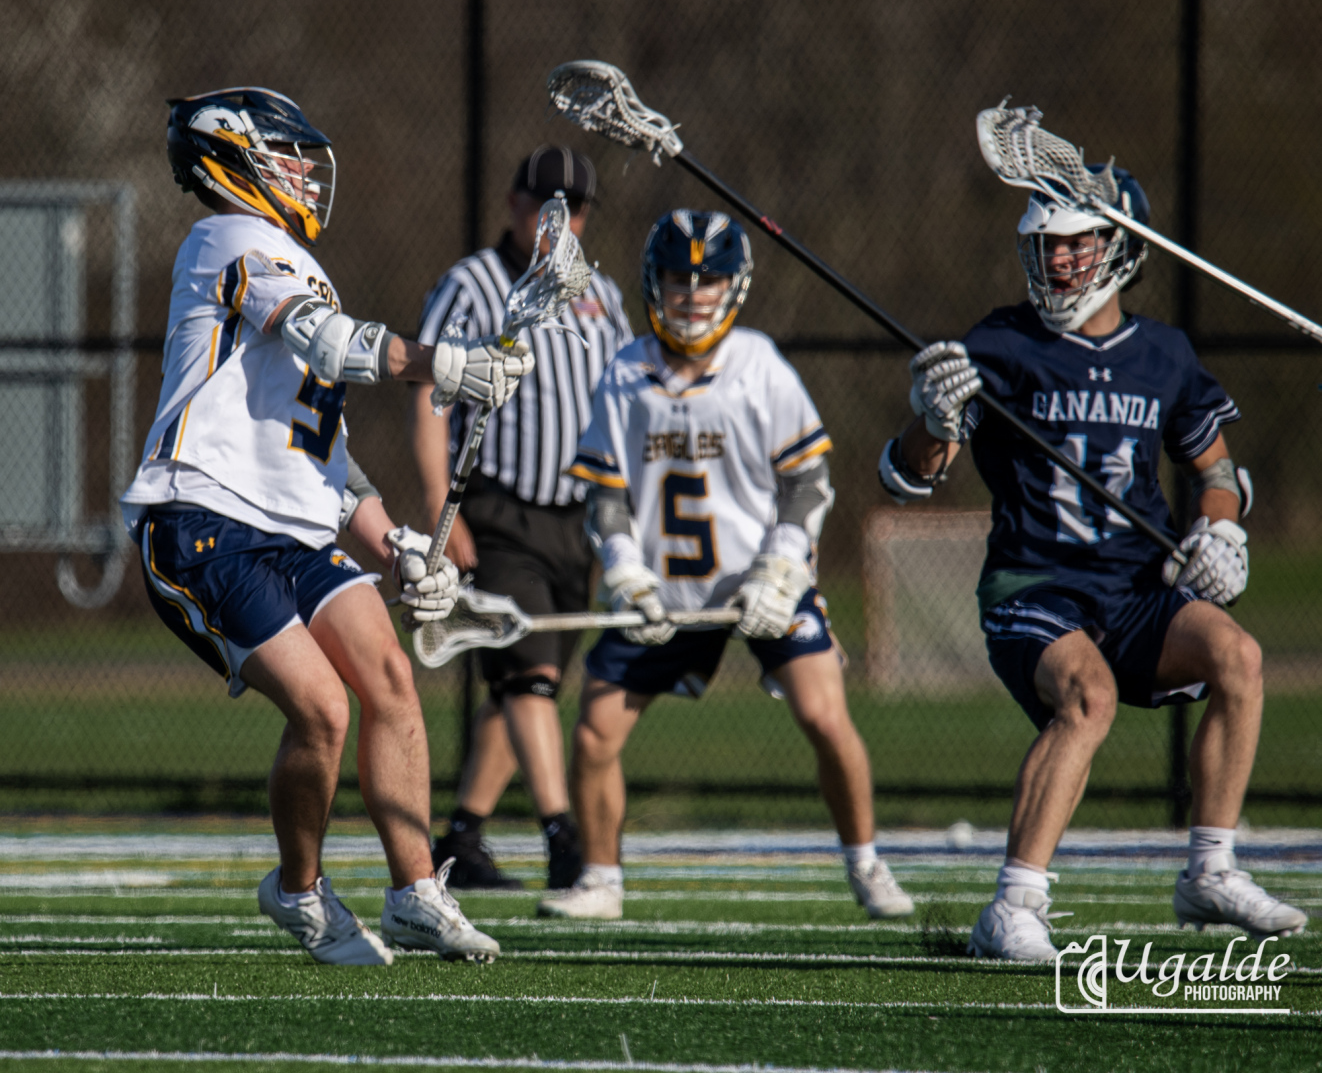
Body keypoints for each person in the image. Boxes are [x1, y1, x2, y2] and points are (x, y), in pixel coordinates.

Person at [121, 87, 534, 965]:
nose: (307, 172)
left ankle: (415, 893)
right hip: (204, 519)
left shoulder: (303, 265)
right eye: (288, 154)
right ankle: (298, 890)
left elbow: (324, 460)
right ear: (236, 158)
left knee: (389, 677)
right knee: (323, 709)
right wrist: (447, 364)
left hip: (293, 531)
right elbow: (332, 345)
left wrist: (397, 545)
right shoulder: (226, 238)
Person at [876, 165, 1307, 960]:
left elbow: (1216, 472)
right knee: (1089, 694)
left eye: (1076, 244)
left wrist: (1222, 535)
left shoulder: (1165, 355)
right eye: (1047, 246)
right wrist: (930, 418)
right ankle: (1013, 907)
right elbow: (908, 475)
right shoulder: (999, 344)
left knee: (1239, 657)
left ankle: (1210, 871)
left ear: (1120, 248)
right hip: (1035, 585)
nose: (1059, 261)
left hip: (1138, 588)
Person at [538, 209, 915, 921]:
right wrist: (625, 571)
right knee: (594, 729)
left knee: (825, 713)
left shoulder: (758, 365)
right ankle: (601, 879)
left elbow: (807, 482)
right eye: (678, 278)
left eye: (707, 278)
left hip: (760, 583)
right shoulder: (626, 372)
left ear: (734, 285)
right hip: (664, 592)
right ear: (653, 283)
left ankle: (867, 864)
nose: (691, 293)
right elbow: (605, 495)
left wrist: (780, 569)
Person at [413, 146, 633, 890]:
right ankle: (563, 837)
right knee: (530, 675)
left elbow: (627, 396)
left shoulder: (601, 294)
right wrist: (443, 509)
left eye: (574, 209)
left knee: (524, 686)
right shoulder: (473, 284)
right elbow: (428, 397)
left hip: (579, 519)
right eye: (545, 206)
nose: (558, 222)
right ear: (514, 204)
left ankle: (462, 839)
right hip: (501, 511)